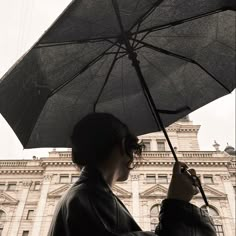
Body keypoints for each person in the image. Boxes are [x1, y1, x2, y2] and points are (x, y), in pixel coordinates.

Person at [48, 112, 216, 236]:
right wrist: (177, 203)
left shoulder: (86, 194)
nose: (135, 157)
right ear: (122, 146)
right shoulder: (89, 197)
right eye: (134, 147)